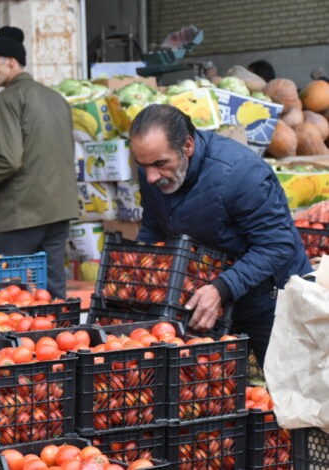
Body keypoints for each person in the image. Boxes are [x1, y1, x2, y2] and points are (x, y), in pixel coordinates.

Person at [130, 104, 311, 365]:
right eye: (142, 165)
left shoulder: (241, 173)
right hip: (205, 294)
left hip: (271, 298)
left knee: (287, 386)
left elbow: (276, 245)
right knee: (214, 390)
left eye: (160, 164)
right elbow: (154, 225)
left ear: (187, 146)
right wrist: (142, 271)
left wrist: (222, 289)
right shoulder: (153, 168)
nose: (150, 176)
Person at [0, 26, 79, 300]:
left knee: (7, 295)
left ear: (11, 62)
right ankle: (60, 337)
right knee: (53, 293)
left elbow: (8, 161)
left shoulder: (6, 100)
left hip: (22, 213)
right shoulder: (57, 99)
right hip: (59, 210)